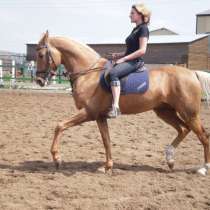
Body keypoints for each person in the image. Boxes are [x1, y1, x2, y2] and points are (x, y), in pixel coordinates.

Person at [107, 3, 151, 118]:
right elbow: (130, 50)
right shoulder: (135, 29)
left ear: (140, 15)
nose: (129, 15)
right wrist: (118, 55)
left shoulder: (144, 29)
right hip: (130, 59)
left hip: (135, 62)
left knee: (113, 73)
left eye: (132, 13)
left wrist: (124, 59)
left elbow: (142, 50)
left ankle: (115, 107)